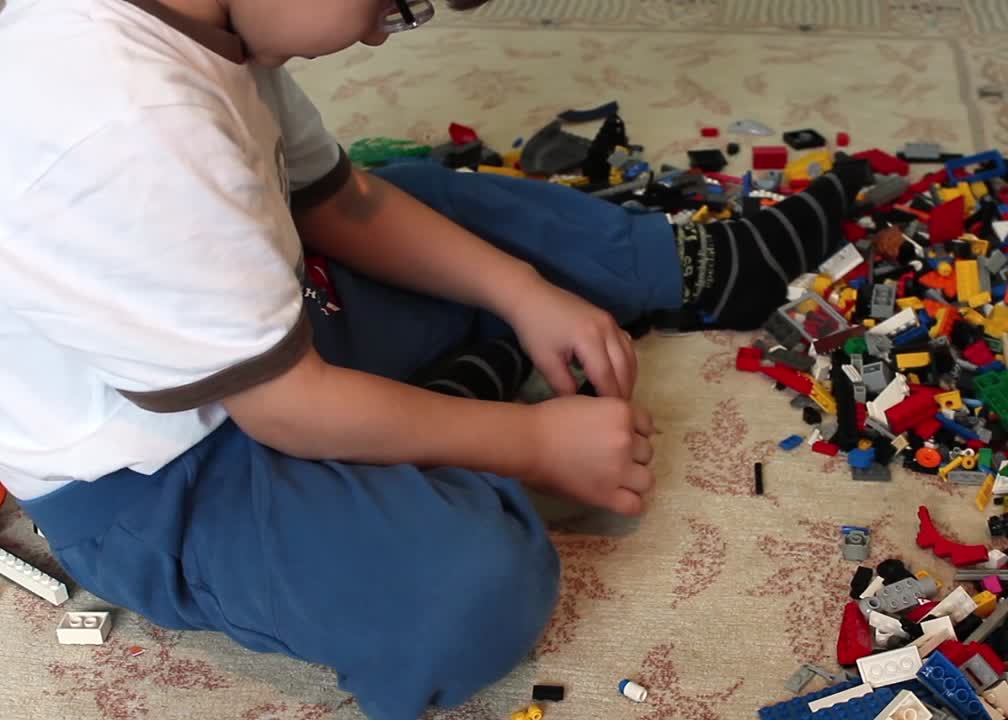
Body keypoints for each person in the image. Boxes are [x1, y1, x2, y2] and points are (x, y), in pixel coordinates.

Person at [0, 0, 872, 716]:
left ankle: (680, 270)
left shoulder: (215, 30)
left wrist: (523, 291)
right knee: (466, 592)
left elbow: (338, 201)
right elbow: (291, 407)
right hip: (159, 477)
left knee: (418, 199)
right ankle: (449, 425)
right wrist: (532, 445)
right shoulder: (132, 121)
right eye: (393, 5)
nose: (382, 33)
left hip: (273, 337)